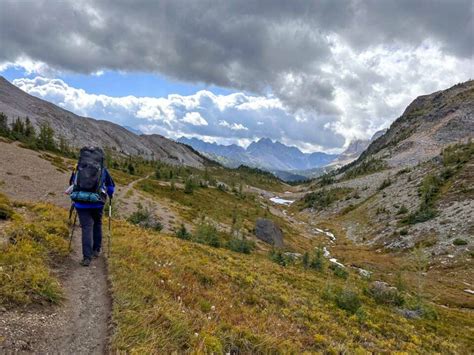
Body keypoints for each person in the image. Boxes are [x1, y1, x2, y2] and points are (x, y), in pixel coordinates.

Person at [68, 147, 115, 266]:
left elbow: (72, 183)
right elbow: (110, 187)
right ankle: (96, 250)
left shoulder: (78, 168)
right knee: (97, 223)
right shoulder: (103, 170)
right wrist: (110, 195)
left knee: (86, 227)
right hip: (97, 202)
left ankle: (86, 258)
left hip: (80, 202)